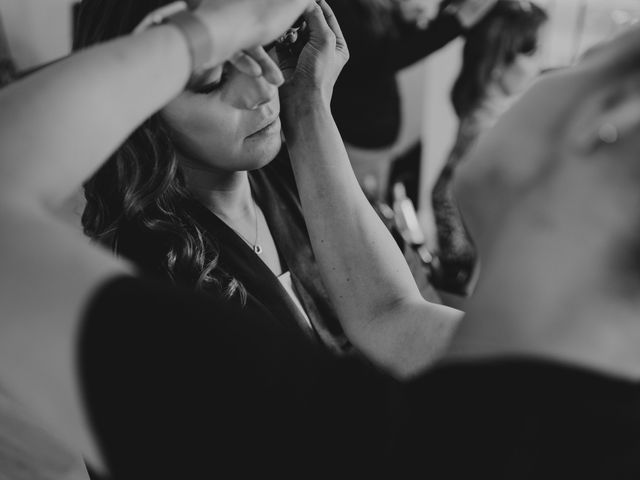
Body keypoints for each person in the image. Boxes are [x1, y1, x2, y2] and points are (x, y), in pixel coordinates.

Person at [3, 0, 640, 478]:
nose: (266, 82)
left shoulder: (313, 431)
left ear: (609, 124)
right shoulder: (595, 425)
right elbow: (388, 314)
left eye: (577, 62)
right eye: (211, 75)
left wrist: (200, 35)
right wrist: (308, 104)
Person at [73, 0, 348, 353]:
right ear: (143, 109)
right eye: (212, 81)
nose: (265, 88)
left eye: (265, 47)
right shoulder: (147, 273)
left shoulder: (298, 174)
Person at [430, 0, 548, 297]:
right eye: (533, 52)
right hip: (473, 283)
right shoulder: (487, 135)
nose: (541, 63)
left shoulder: (483, 114)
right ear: (498, 64)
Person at [326, 0, 498, 198]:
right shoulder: (339, 8)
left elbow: (379, 43)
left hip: (374, 138)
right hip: (357, 141)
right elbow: (379, 58)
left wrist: (405, 21)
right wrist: (456, 22)